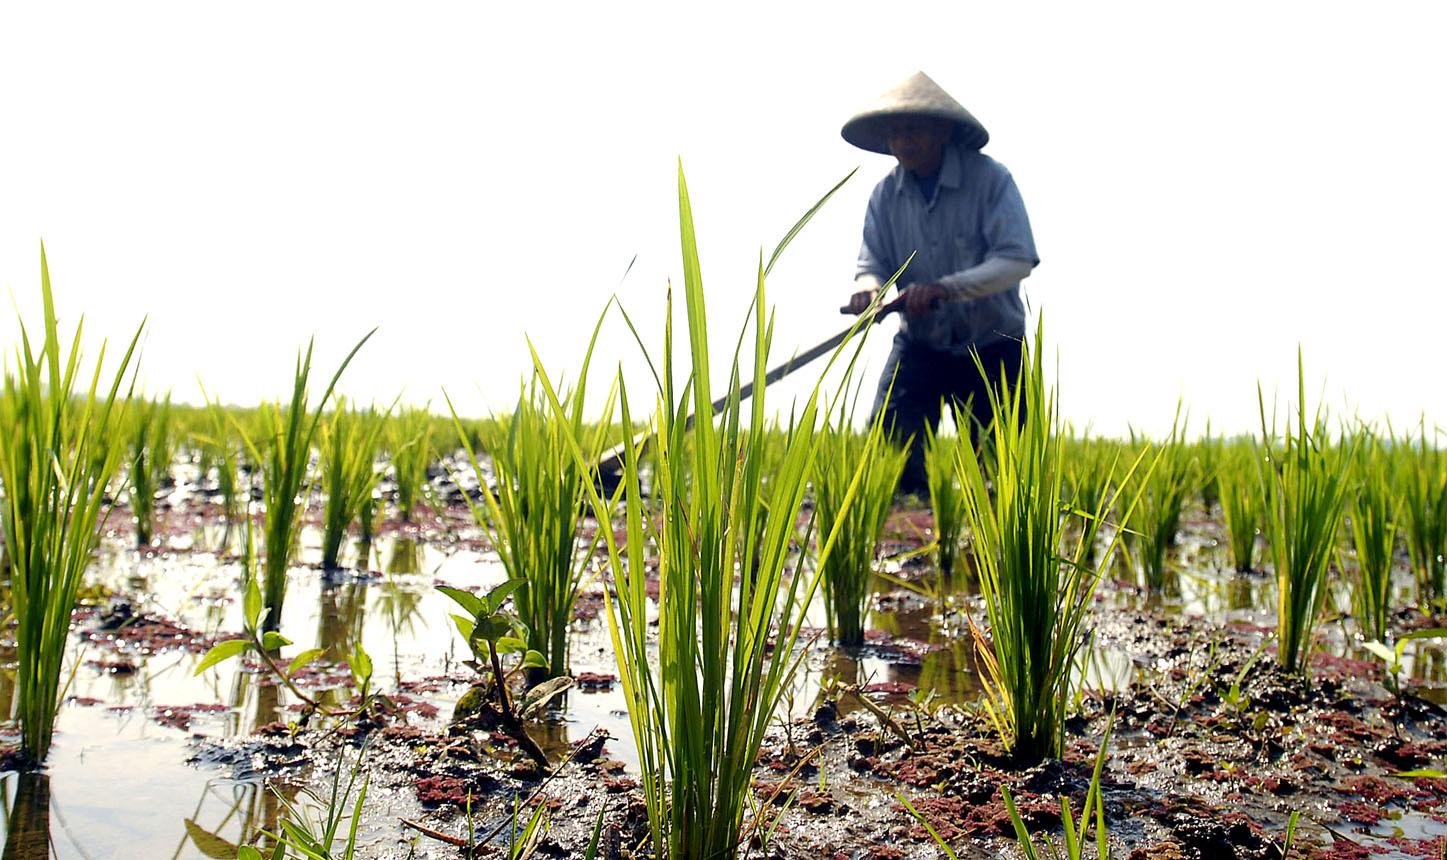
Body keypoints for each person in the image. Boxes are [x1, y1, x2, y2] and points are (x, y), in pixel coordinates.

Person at [841, 71, 1039, 498]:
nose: (902, 140)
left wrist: (945, 288)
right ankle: (910, 547)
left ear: (943, 129)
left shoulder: (990, 181)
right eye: (895, 131)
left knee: (1003, 474)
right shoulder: (884, 196)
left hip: (991, 344)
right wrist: (871, 289)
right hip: (922, 343)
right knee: (893, 449)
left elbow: (1016, 259)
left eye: (912, 128)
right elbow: (871, 262)